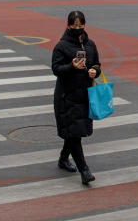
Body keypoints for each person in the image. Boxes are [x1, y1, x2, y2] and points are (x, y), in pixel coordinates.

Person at [51, 10, 100, 186]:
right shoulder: (62, 46)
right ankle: (84, 170)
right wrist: (71, 67)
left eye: (81, 26)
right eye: (74, 26)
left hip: (84, 95)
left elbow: (96, 63)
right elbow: (56, 69)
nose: (77, 29)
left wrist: (95, 70)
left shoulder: (90, 45)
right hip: (66, 96)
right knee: (74, 133)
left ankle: (63, 158)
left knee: (74, 131)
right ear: (68, 25)